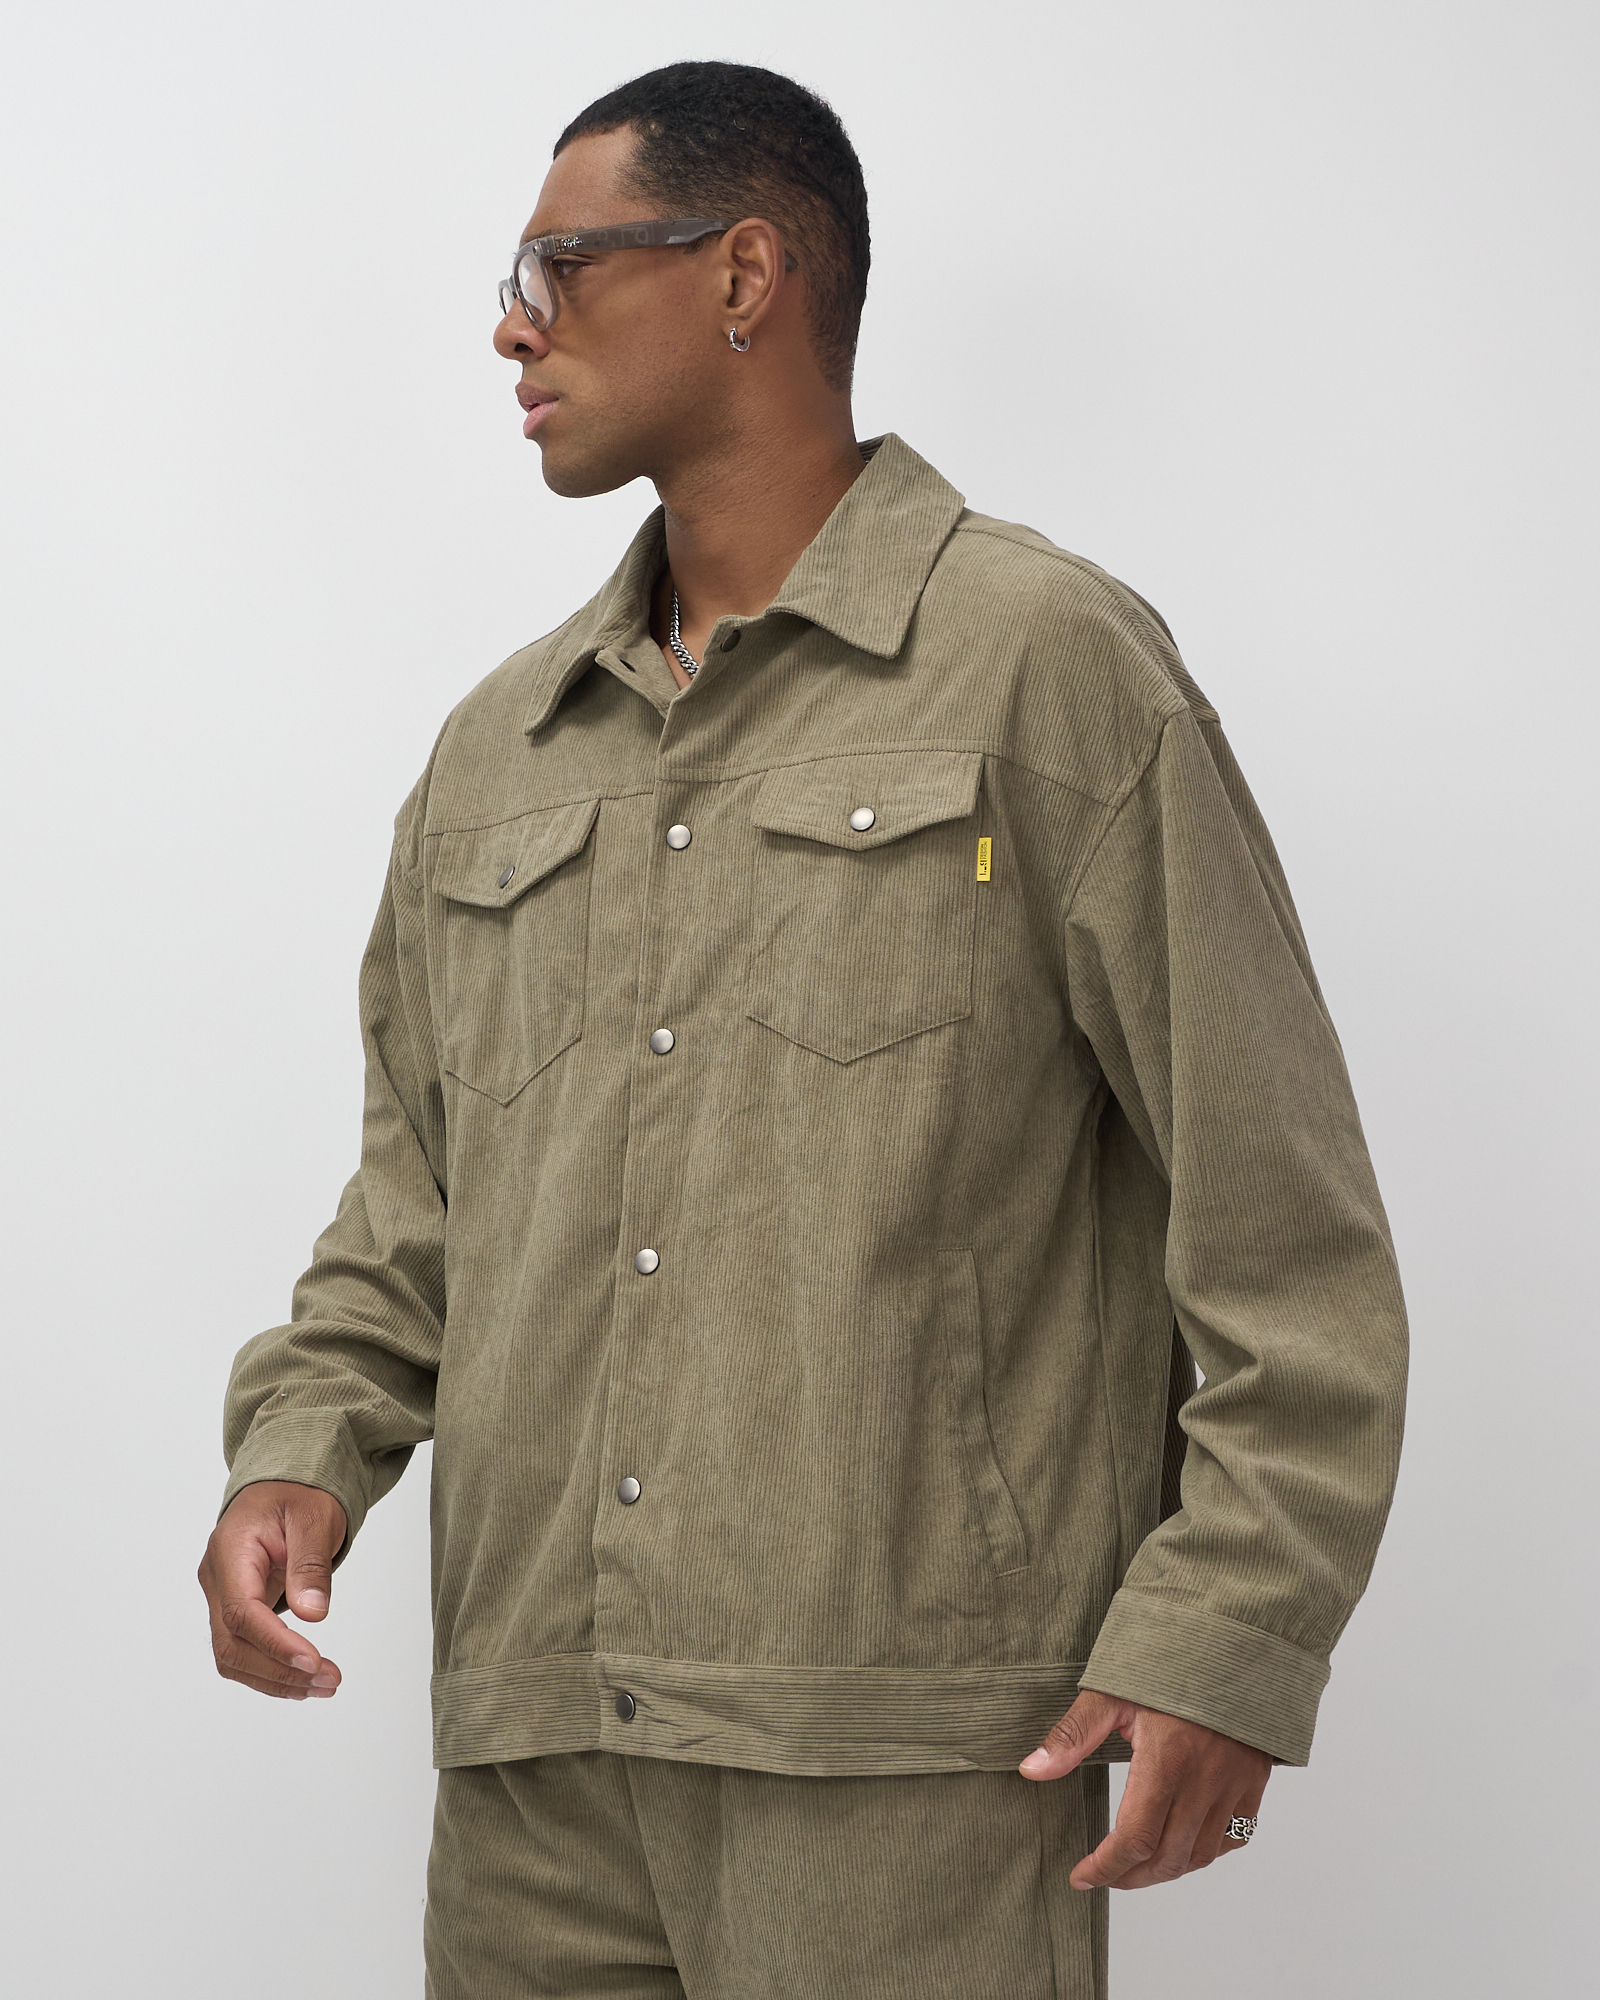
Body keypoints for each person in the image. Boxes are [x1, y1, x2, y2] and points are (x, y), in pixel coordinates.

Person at [197, 60, 1408, 2000]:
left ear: (744, 273)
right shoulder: (496, 755)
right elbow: (410, 1217)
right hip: (532, 1781)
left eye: (559, 267)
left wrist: (1225, 1633)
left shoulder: (1046, 669)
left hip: (903, 1776)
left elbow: (1285, 1231)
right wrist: (298, 1454)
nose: (511, 325)